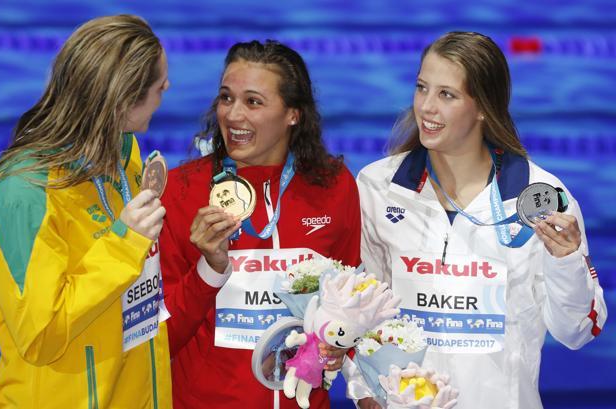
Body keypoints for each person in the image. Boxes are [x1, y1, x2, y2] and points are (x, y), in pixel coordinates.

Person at [355, 31, 607, 408]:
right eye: (422, 88)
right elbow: (360, 308)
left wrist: (567, 261)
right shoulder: (378, 187)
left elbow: (579, 331)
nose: (426, 107)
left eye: (447, 95)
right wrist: (363, 392)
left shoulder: (540, 196)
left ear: (483, 107)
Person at [0, 15, 172, 408]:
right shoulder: (24, 192)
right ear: (120, 102)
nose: (168, 87)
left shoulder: (125, 154)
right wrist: (124, 244)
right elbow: (41, 335)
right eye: (158, 86)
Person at [158, 40, 361, 408]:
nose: (233, 115)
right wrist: (210, 268)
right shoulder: (182, 191)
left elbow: (352, 302)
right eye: (226, 98)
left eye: (253, 101)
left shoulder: (333, 186)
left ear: (293, 114)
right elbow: (161, 337)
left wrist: (332, 349)